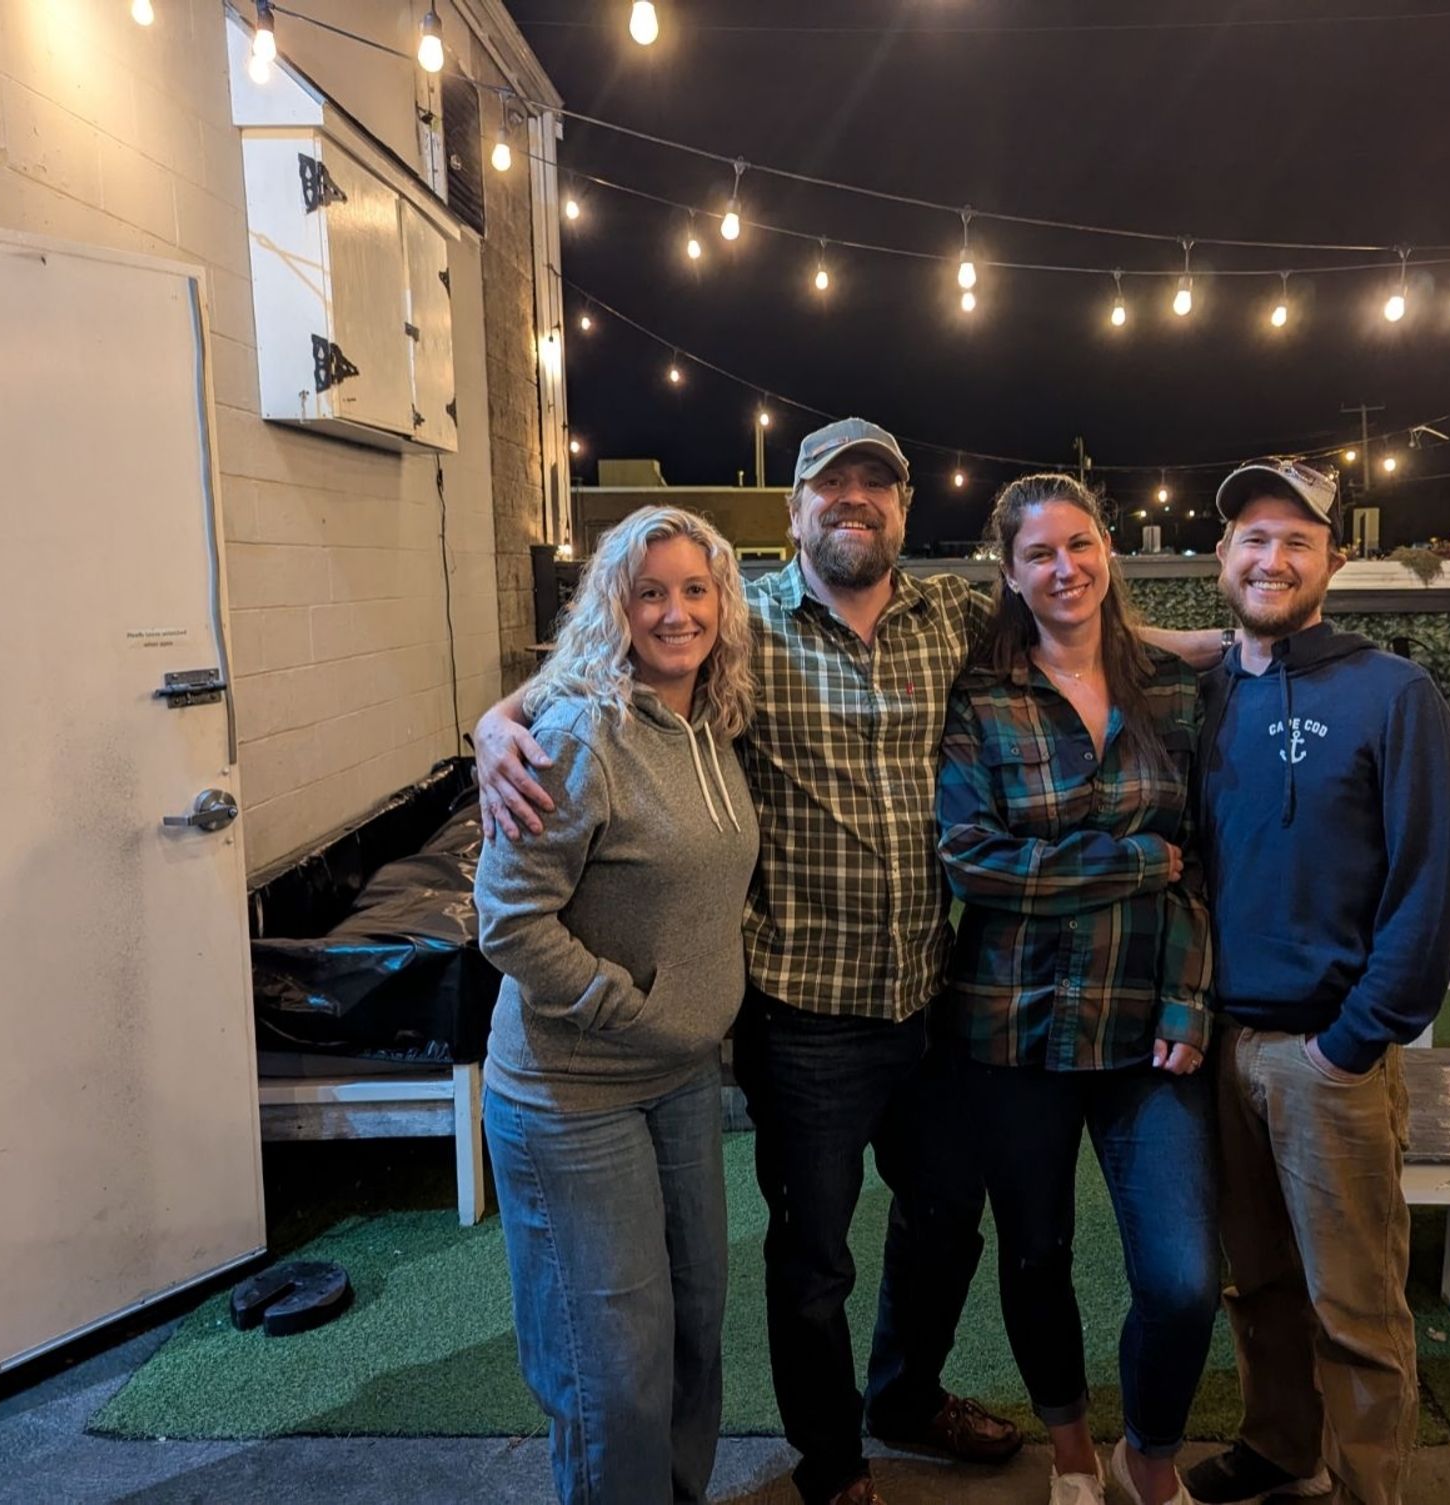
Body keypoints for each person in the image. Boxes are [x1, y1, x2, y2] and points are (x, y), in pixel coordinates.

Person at [475, 418, 1228, 1505]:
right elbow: (601, 668)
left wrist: (1199, 644)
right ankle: (831, 1464)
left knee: (942, 1221)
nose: (855, 503)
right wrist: (497, 721)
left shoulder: (953, 618)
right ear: (795, 510)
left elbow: (1067, 613)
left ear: (903, 508)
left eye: (876, 486)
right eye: (832, 487)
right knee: (813, 1260)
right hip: (804, 1011)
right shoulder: (742, 628)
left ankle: (904, 1395)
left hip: (930, 999)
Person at [1184, 461, 1450, 1505]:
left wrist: (1354, 1038)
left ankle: (1364, 1488)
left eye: (1295, 540)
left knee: (1352, 1303)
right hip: (1225, 1046)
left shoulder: (1392, 692)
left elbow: (1432, 883)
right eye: (1251, 538)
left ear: (1330, 561)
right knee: (1254, 1282)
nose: (1271, 558)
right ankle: (1277, 1446)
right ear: (1219, 558)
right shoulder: (1214, 691)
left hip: (1328, 1055)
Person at [936, 474, 1217, 1505]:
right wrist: (1137, 861)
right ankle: (1067, 1448)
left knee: (1182, 1278)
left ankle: (1148, 1447)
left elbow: (1206, 866)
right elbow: (974, 864)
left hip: (1149, 1025)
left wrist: (1190, 1003)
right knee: (1035, 1252)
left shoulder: (1174, 689)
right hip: (1013, 1027)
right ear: (1008, 572)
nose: (1065, 567)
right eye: (1040, 553)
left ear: (1108, 551)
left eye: (1081, 544)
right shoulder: (981, 698)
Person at [474, 505, 760, 1505]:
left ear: (722, 602)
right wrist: (614, 1003)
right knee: (615, 1371)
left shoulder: (709, 724)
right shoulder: (578, 733)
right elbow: (506, 919)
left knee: (691, 1332)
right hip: (574, 1092)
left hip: (679, 1080)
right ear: (616, 606)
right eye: (650, 591)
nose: (675, 611)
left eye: (694, 589)